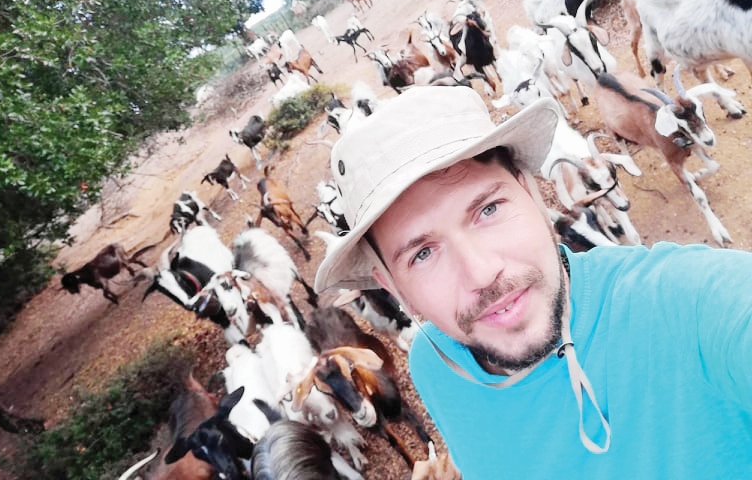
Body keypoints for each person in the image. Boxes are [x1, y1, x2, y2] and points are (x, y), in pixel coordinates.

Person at [314, 86, 752, 479]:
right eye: (423, 253)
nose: (482, 273)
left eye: (488, 210)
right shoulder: (434, 368)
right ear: (393, 288)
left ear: (533, 194)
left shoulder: (687, 301)